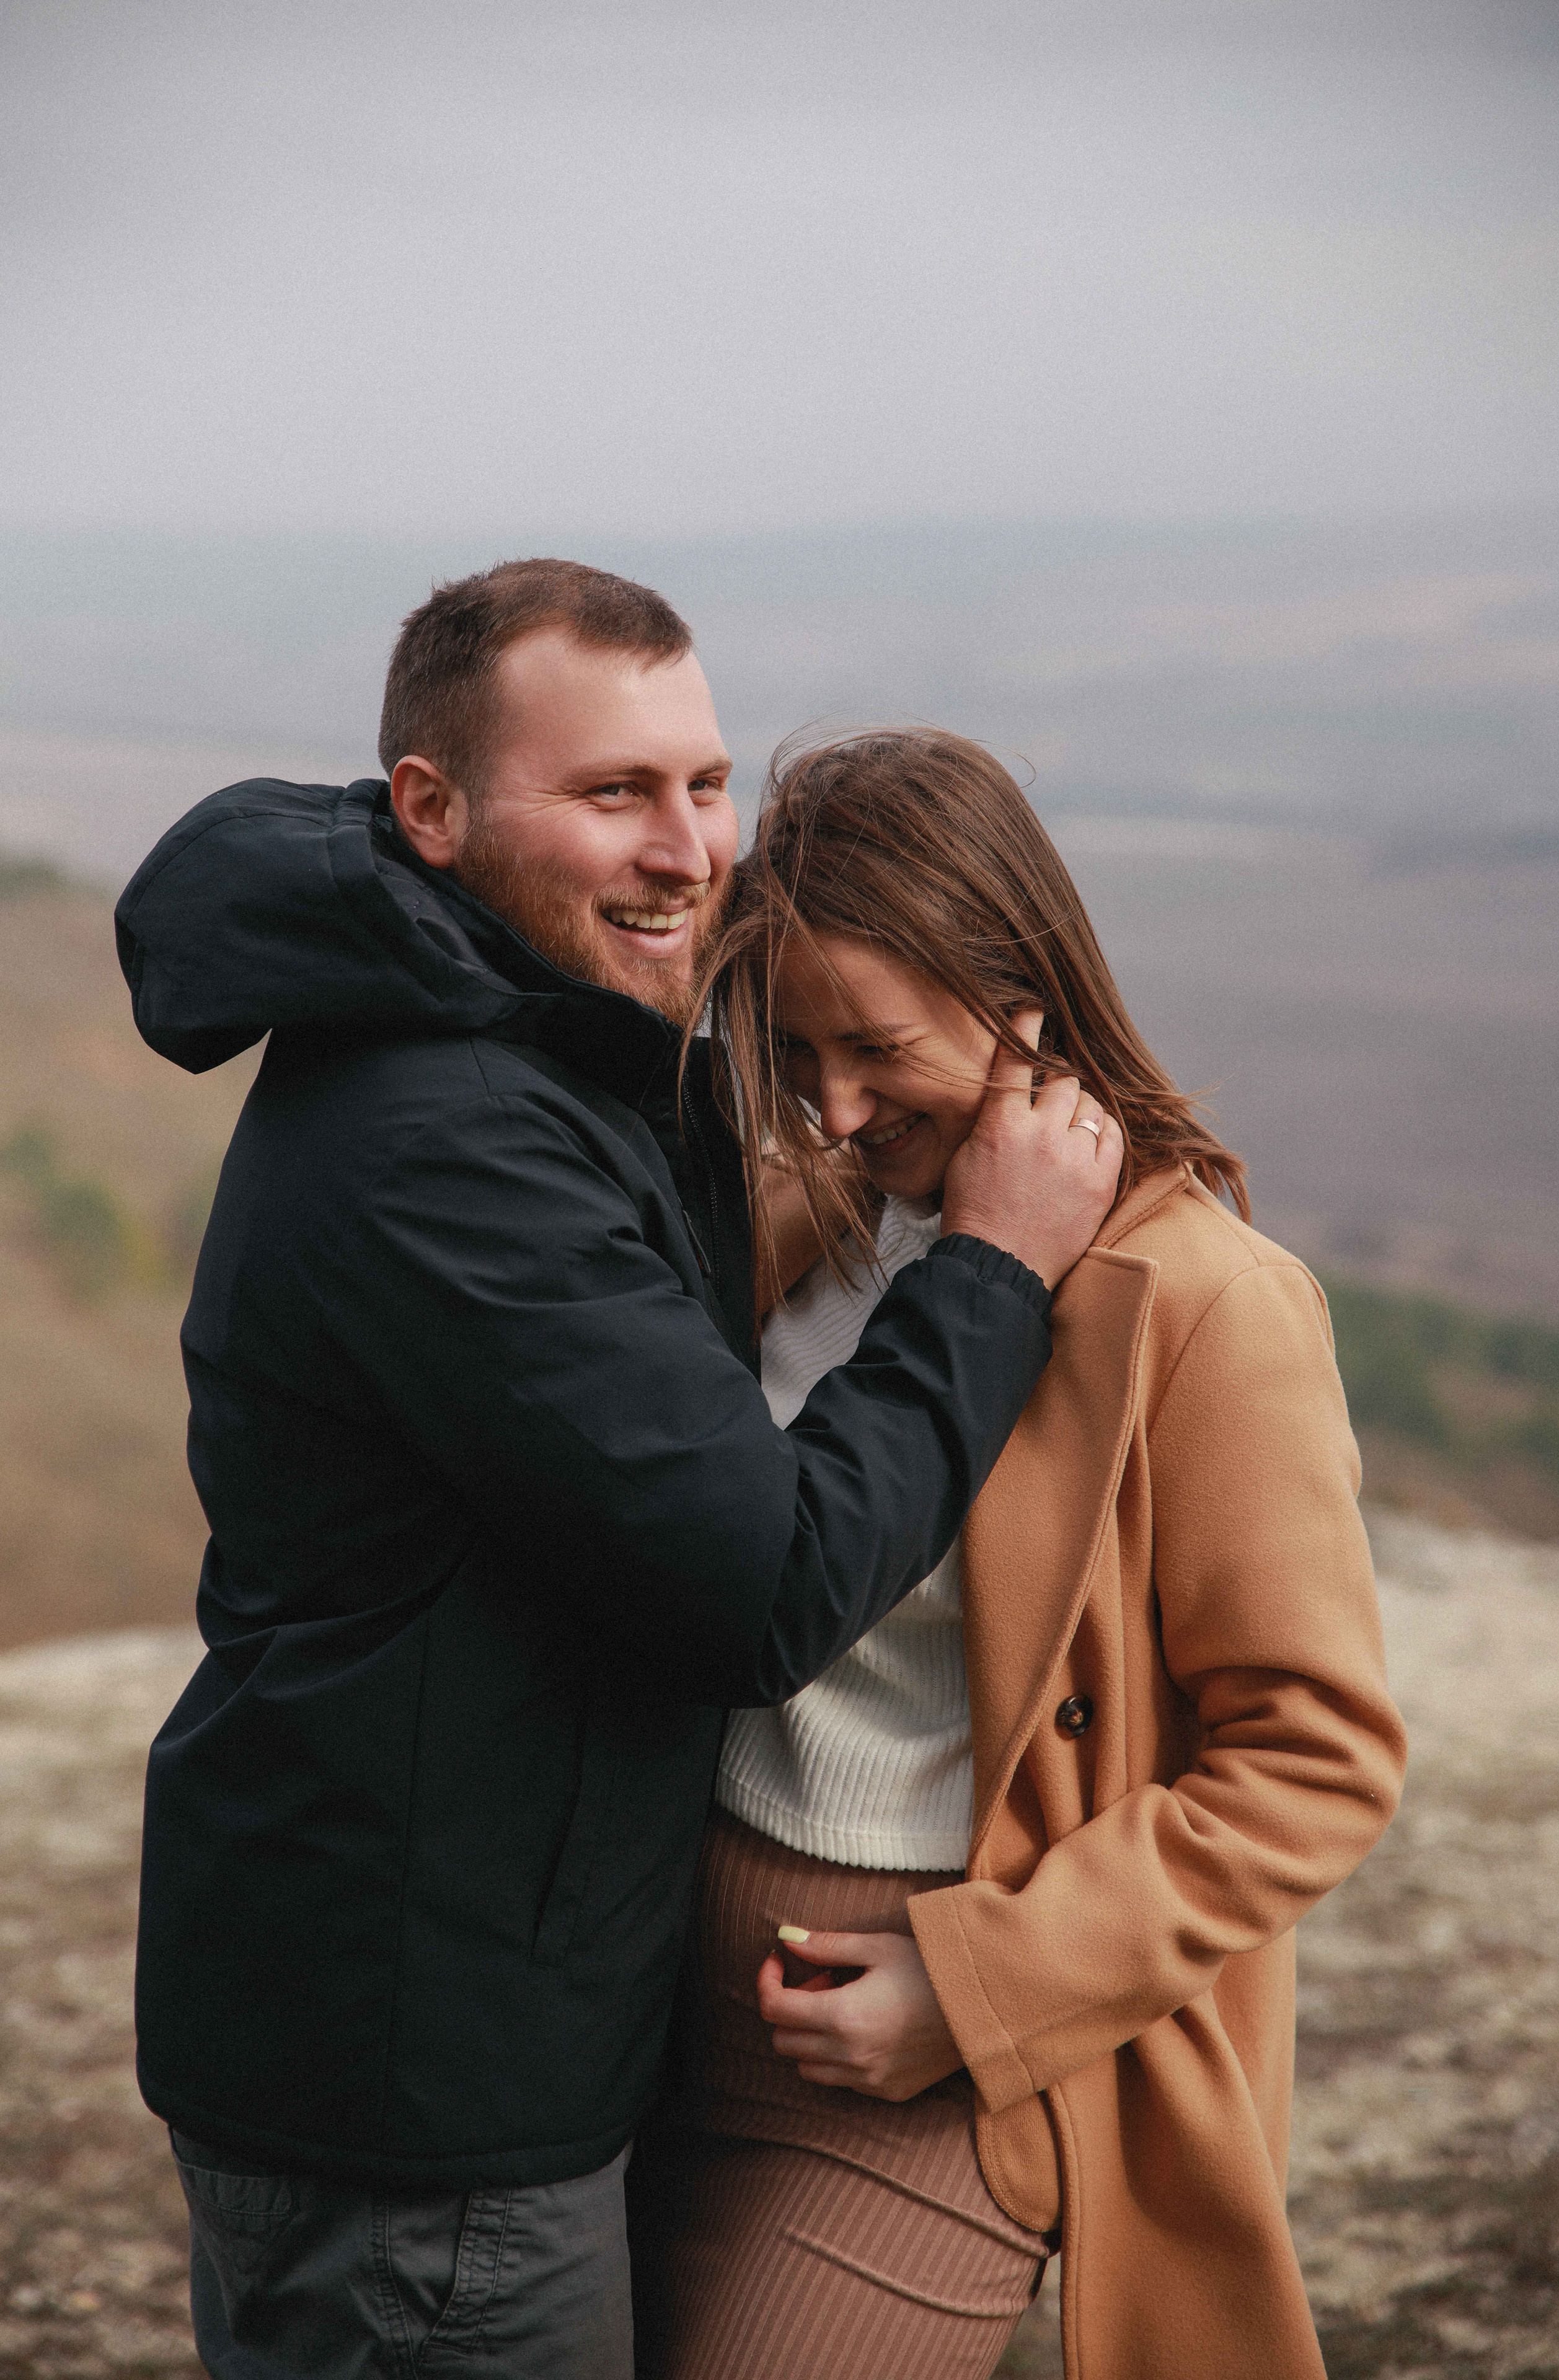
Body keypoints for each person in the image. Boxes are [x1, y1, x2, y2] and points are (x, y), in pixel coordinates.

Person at [114, 562, 1122, 2380]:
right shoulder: (448, 1140)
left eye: (704, 783)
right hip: (421, 2106)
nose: (686, 850)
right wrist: (989, 1272)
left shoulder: (513, 1040)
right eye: (612, 795)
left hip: (451, 2024)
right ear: (427, 809)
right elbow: (765, 1583)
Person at [631, 729, 1409, 2380]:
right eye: (793, 1046)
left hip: (914, 2094)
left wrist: (978, 1995)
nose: (831, 1106)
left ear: (1024, 1002)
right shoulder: (798, 1222)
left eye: (877, 1048)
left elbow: (1318, 1764)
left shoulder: (1200, 1304)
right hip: (641, 2045)